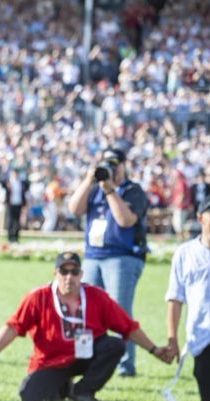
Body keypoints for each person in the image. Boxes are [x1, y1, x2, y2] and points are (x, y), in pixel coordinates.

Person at [0, 252, 173, 401]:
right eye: (63, 271)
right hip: (52, 361)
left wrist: (154, 350)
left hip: (87, 356)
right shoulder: (38, 297)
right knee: (30, 397)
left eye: (74, 272)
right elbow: (13, 327)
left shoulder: (96, 296)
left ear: (81, 274)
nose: (69, 277)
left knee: (114, 345)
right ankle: (64, 387)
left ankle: (84, 391)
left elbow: (128, 327)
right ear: (55, 274)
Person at [67, 145, 149, 377]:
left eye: (115, 164)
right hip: (93, 256)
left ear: (123, 166)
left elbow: (125, 220)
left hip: (122, 257)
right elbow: (74, 209)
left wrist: (111, 190)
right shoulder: (94, 190)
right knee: (85, 310)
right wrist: (88, 181)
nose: (110, 169)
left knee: (119, 311)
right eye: (106, 164)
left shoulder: (133, 190)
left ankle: (125, 365)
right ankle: (86, 361)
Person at [165, 196, 210, 401]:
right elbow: (175, 298)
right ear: (201, 218)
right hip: (202, 336)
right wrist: (172, 338)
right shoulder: (185, 254)